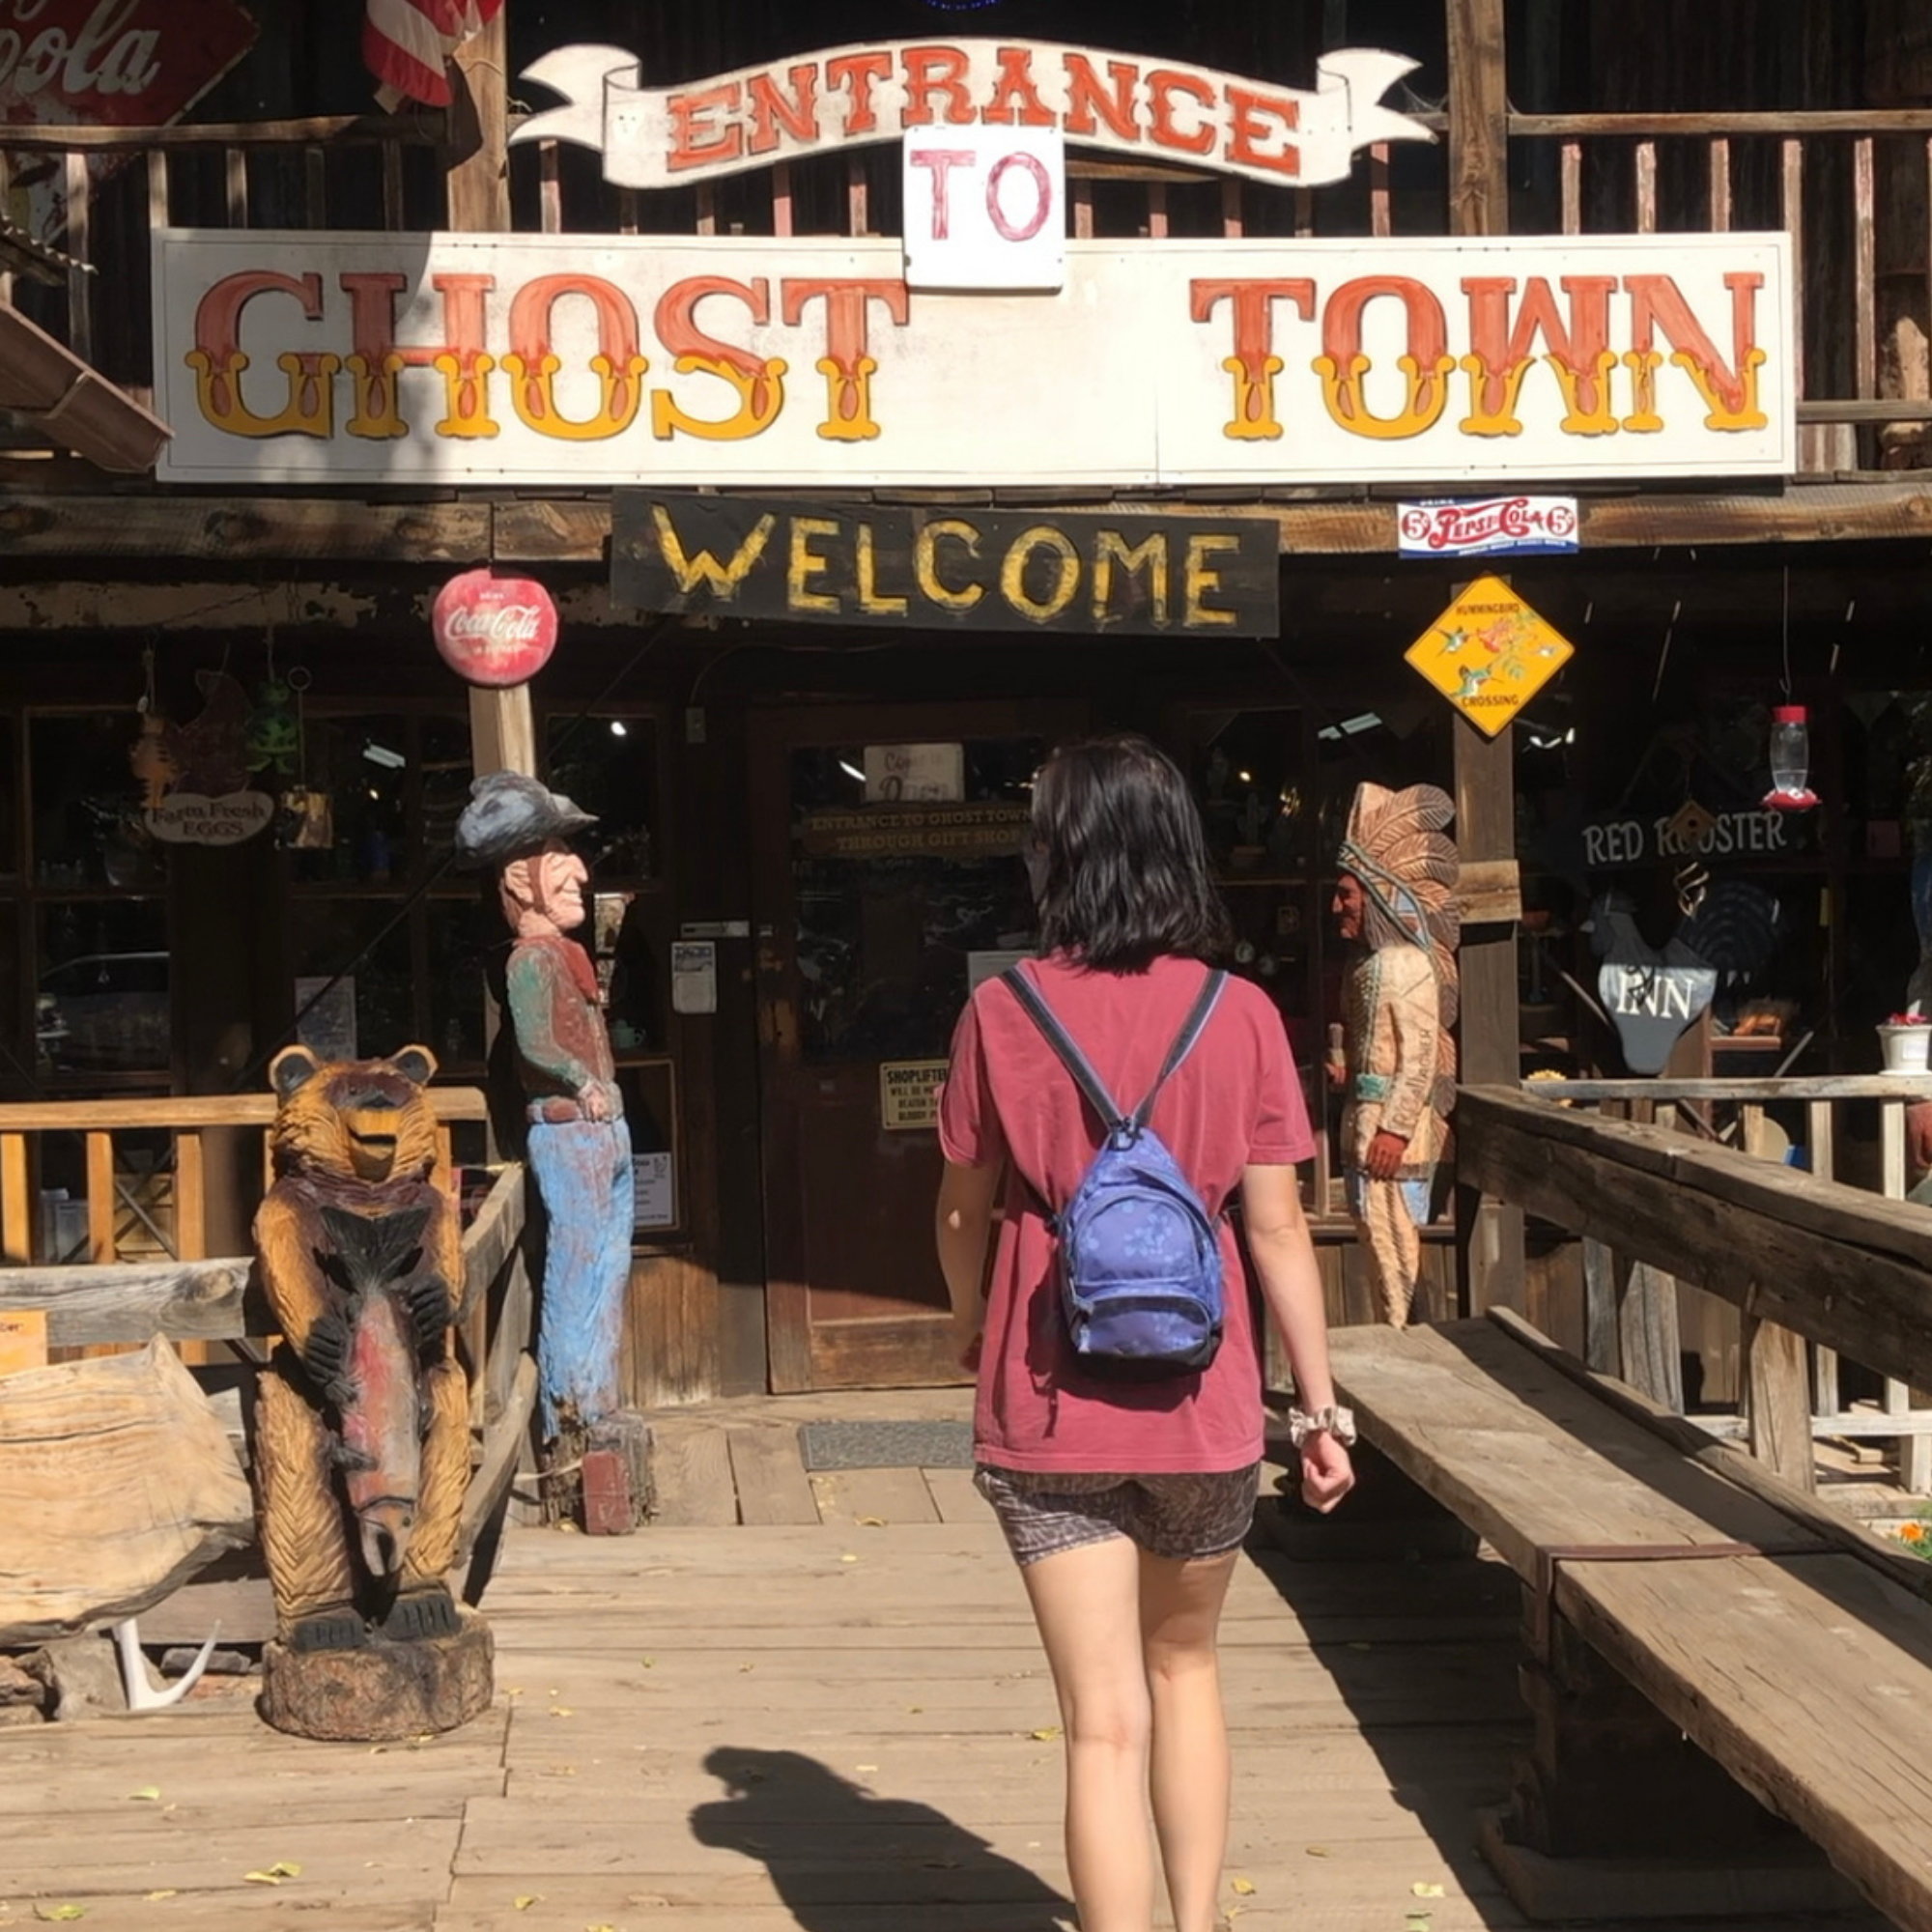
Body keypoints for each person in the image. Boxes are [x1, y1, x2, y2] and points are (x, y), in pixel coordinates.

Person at [935, 733, 1353, 1932]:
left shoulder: (1000, 1010)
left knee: (1100, 1721)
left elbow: (961, 1209)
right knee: (1187, 1670)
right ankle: (1198, 1917)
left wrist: (969, 1321)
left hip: (1047, 1403)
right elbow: (1275, 1229)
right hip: (1201, 1405)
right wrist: (1316, 1409)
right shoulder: (1241, 1012)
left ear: (1054, 856)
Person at [454, 770, 634, 1447]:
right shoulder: (528, 960)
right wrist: (578, 1080)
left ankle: (601, 1394)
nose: (580, 873)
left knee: (611, 1262)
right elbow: (535, 1044)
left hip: (604, 1128)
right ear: (519, 881)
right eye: (559, 858)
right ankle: (572, 1411)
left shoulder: (563, 953)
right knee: (580, 1261)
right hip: (569, 1130)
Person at [1330, 782, 1461, 1326]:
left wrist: (1396, 1129)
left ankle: (1404, 1335)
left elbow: (1420, 1056)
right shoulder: (1363, 966)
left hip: (1390, 1132)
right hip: (1363, 1122)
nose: (1337, 906)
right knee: (1373, 1235)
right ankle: (1396, 1331)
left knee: (1396, 1239)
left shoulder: (1406, 965)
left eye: (1347, 895)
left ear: (1377, 896)